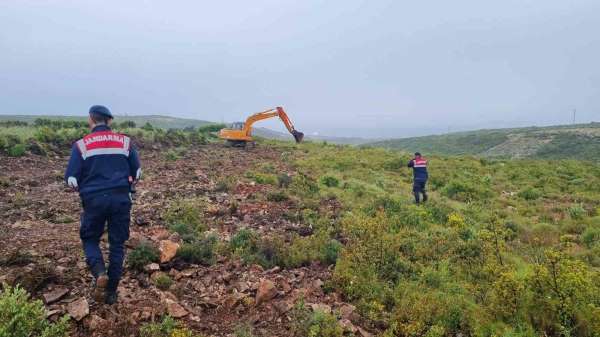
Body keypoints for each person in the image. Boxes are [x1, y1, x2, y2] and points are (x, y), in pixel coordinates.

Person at [64, 105, 141, 304]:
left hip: (94, 201)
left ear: (91, 119)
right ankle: (112, 293)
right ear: (110, 121)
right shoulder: (125, 142)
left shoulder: (81, 145)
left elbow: (71, 178)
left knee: (90, 238)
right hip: (121, 199)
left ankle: (99, 273)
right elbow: (138, 172)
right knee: (117, 244)